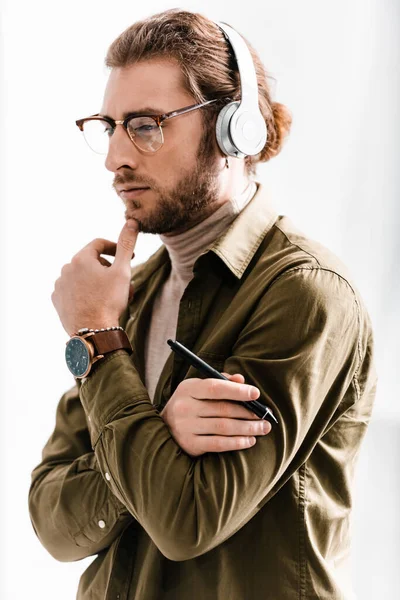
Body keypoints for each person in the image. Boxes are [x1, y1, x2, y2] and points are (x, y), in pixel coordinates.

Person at [28, 9, 377, 600]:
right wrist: (157, 431)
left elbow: (187, 520)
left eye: (144, 124)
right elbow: (51, 523)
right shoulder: (125, 299)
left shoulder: (305, 294)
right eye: (108, 126)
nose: (116, 157)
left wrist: (97, 342)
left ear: (232, 131)